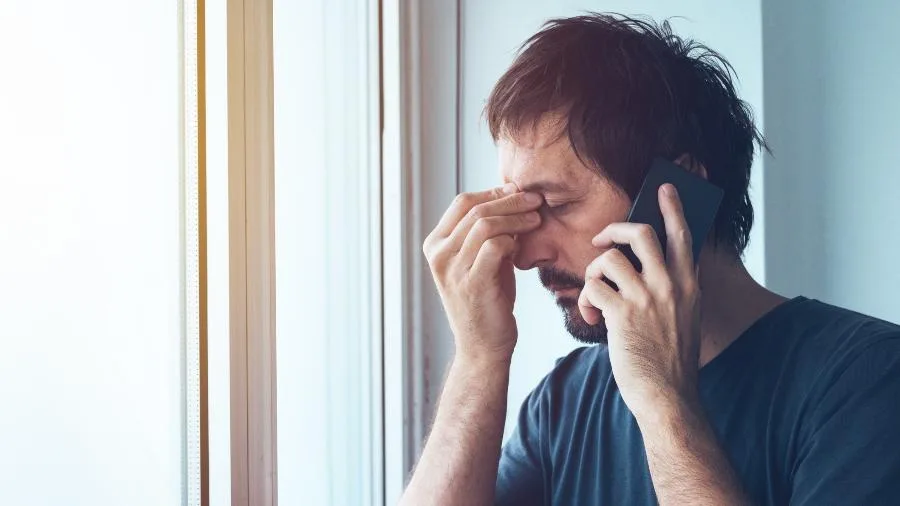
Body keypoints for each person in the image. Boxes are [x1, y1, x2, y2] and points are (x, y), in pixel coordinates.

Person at [400, 13, 900, 506]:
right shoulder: (562, 401)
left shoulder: (869, 381)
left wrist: (663, 401)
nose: (526, 256)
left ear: (673, 194)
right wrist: (478, 358)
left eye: (555, 205)